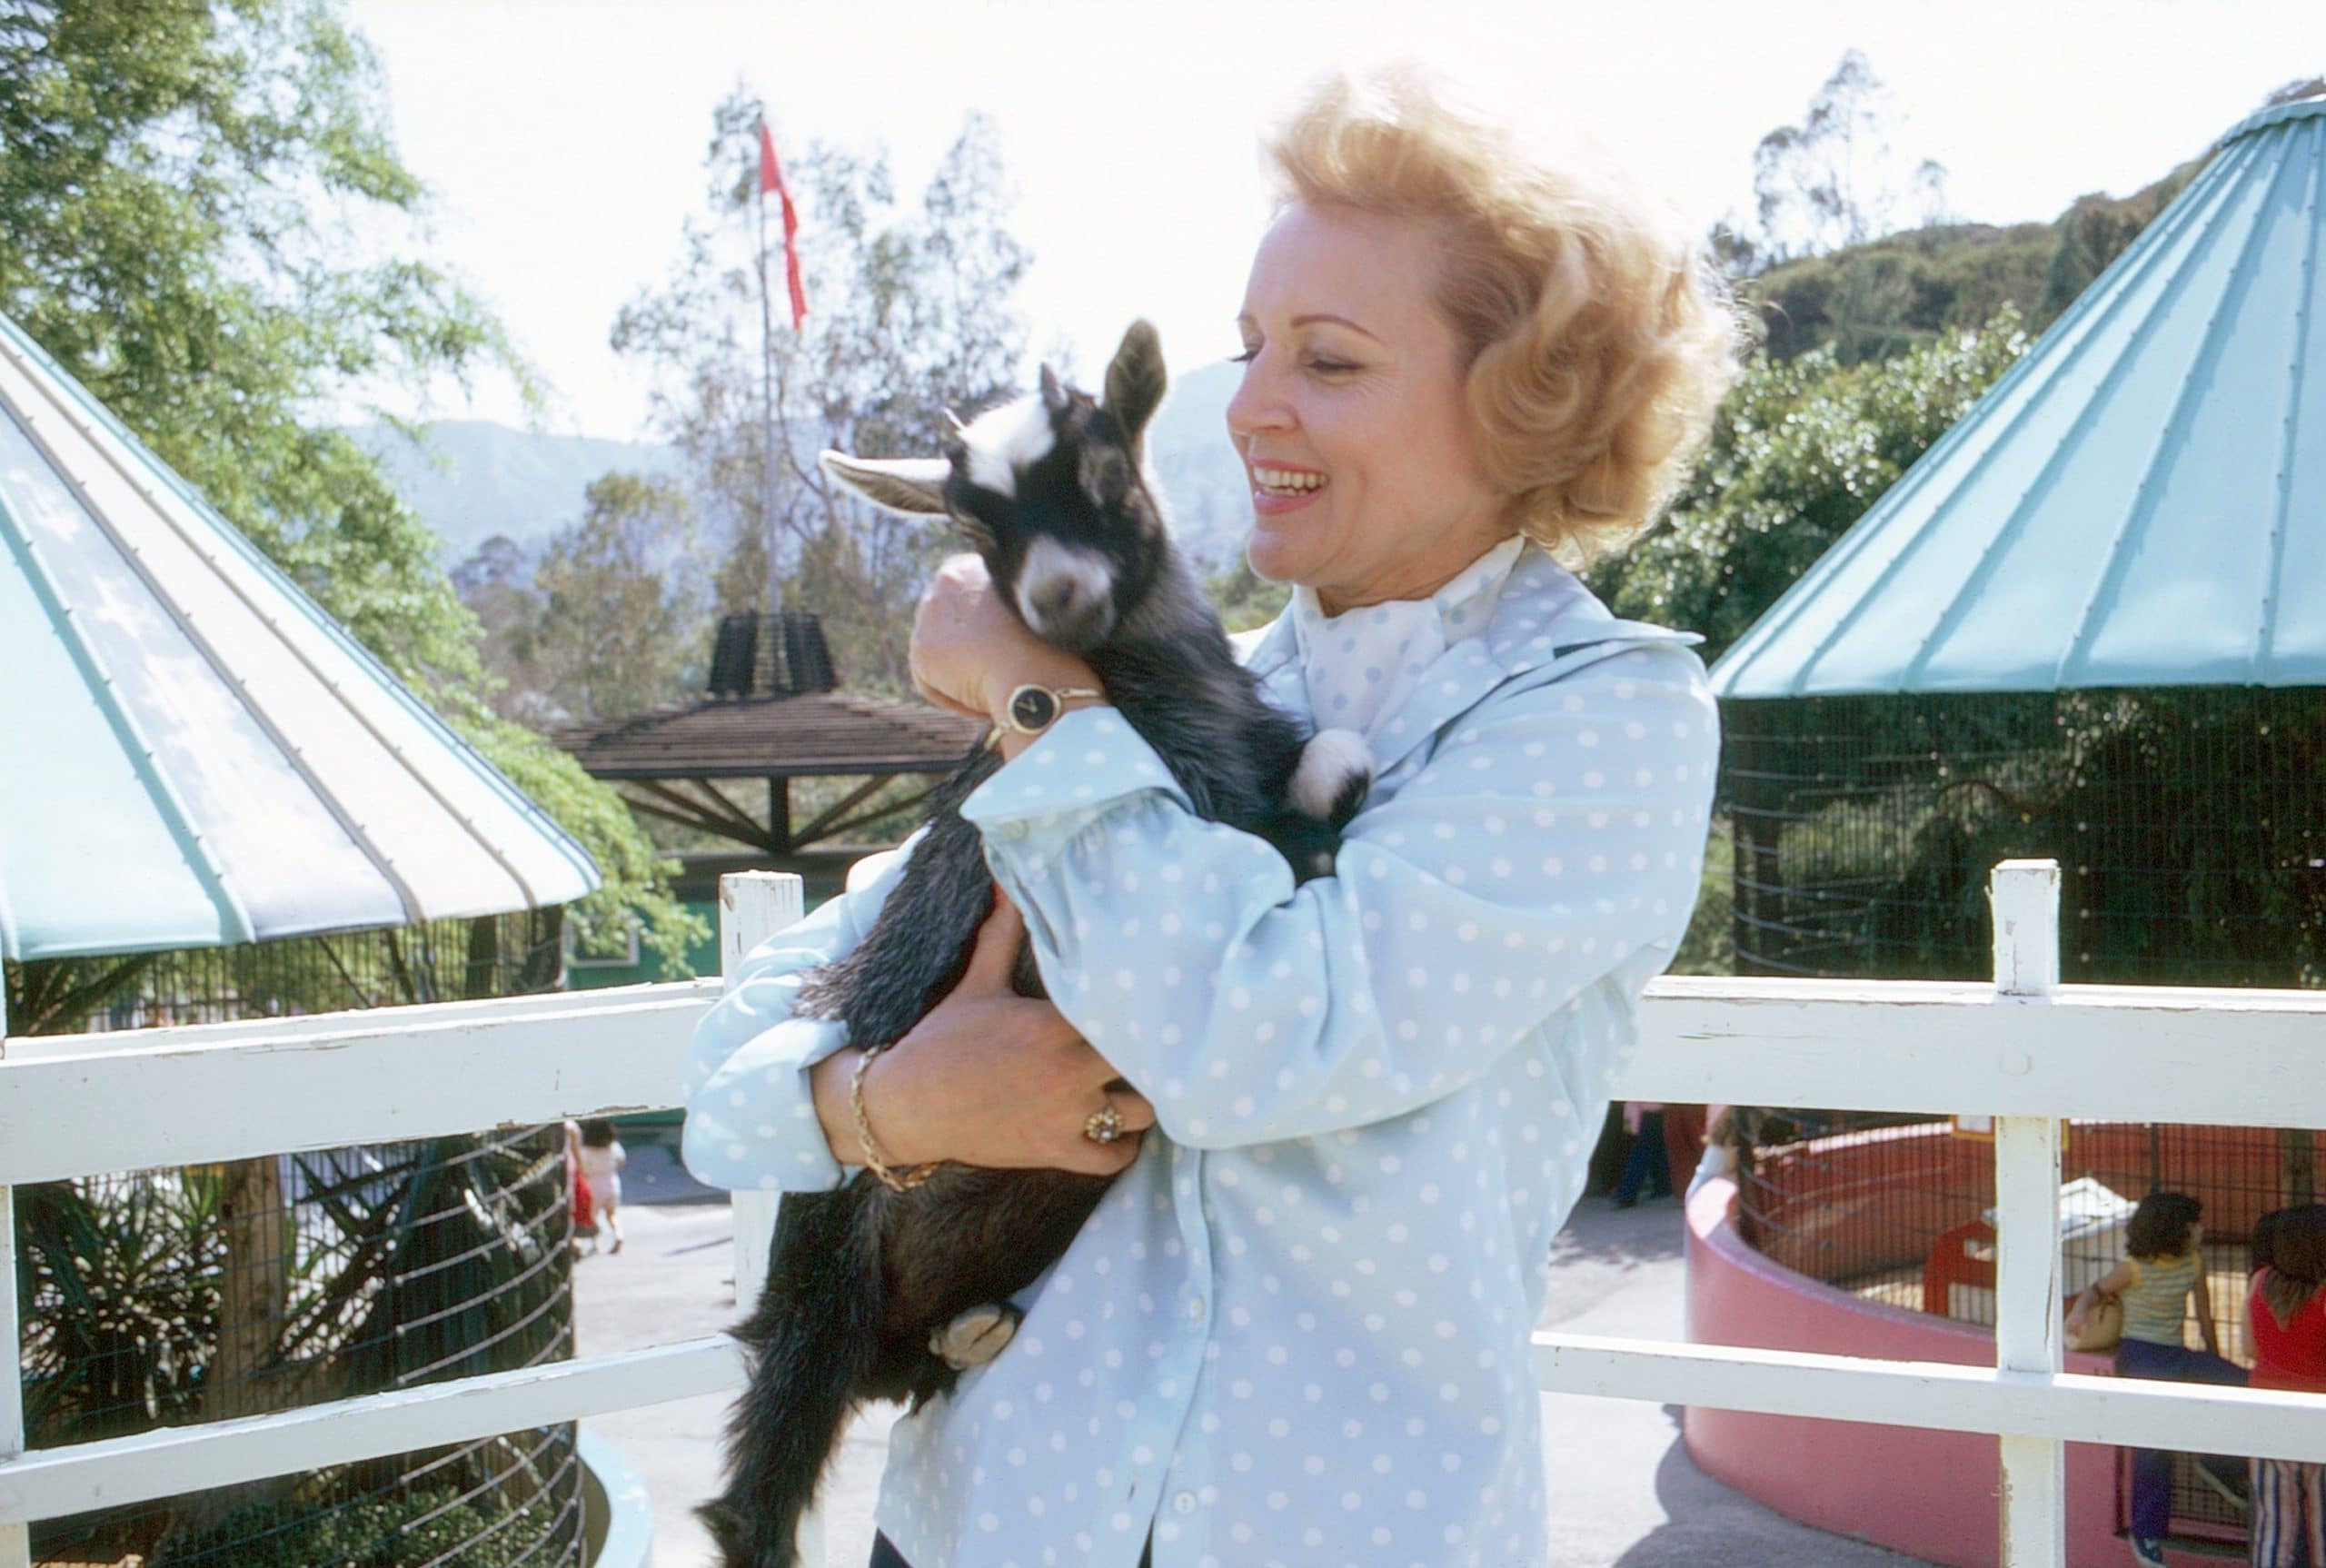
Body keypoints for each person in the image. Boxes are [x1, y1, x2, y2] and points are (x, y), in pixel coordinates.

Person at [682, 68, 1737, 1568]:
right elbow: (726, 1073)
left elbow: (1261, 1036)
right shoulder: (1171, 706)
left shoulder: (1600, 724)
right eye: (1249, 347)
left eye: (1330, 358)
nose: (1245, 405)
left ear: (1525, 401)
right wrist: (893, 1107)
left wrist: (1036, 704)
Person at [2071, 1190, 2251, 1565]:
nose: (2202, 1229)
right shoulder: (2133, 1268)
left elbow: (2204, 1315)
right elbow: (2093, 1292)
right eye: (2195, 1224)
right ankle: (2146, 1533)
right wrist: (2079, 1313)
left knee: (2245, 1387)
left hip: (2177, 1355)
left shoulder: (2194, 1262)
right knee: (2155, 1445)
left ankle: (2219, 1462)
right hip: (2142, 1356)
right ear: (2175, 1231)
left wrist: (2213, 1360)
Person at [2247, 1204, 2326, 1568]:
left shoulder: (2260, 1281)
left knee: (2274, 1523)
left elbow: (2249, 1348)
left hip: (2266, 1417)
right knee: (2320, 1524)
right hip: (2317, 1420)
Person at [577, 1117, 625, 1255]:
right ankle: (618, 1235)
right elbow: (621, 1161)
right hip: (612, 1183)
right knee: (612, 1215)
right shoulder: (613, 1147)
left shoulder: (586, 1151)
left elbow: (583, 1168)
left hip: (593, 1186)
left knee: (593, 1216)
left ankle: (595, 1244)